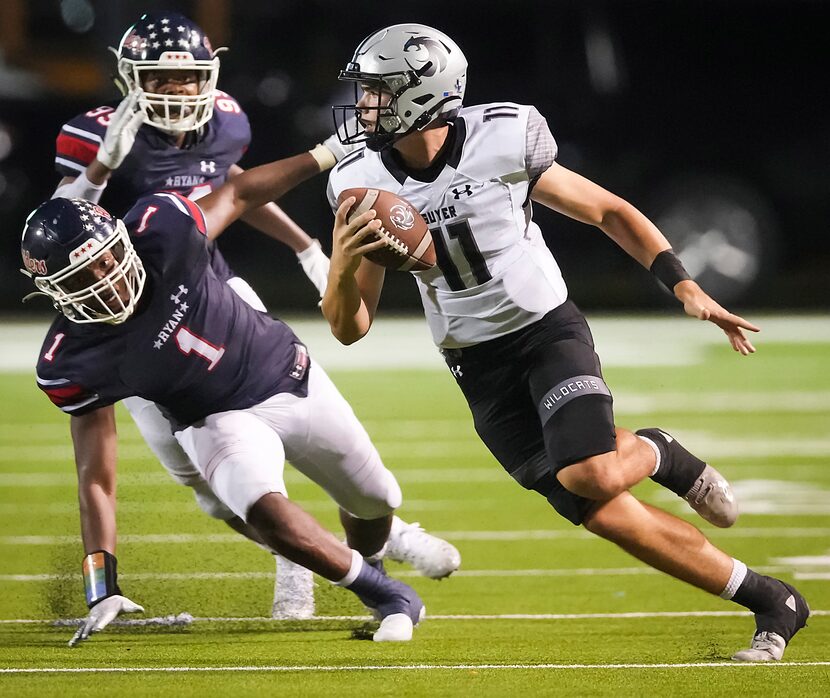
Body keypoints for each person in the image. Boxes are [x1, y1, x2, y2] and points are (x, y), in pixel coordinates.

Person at [321, 23, 809, 662]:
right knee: (602, 510)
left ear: (423, 95)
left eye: (378, 92)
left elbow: (607, 210)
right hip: (474, 362)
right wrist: (340, 263)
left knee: (589, 470)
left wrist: (683, 285)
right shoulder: (361, 182)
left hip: (546, 330)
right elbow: (350, 329)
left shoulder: (502, 139)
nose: (363, 106)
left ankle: (658, 452)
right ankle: (773, 599)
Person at [50, 11, 459, 618]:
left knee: (291, 401)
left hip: (208, 287)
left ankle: (379, 523)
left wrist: (304, 246)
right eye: (160, 79)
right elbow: (60, 231)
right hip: (128, 324)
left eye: (189, 78)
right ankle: (302, 548)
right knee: (216, 494)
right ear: (129, 78)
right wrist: (101, 170)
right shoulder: (92, 137)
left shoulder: (225, 122)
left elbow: (232, 185)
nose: (178, 91)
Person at [21, 143, 442, 645]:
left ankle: (369, 560)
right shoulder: (71, 359)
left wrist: (324, 154)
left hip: (285, 372)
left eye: (107, 258)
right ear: (52, 293)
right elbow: (96, 477)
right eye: (81, 277)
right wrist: (101, 586)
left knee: (376, 499)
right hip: (212, 419)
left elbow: (239, 192)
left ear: (122, 239)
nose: (105, 280)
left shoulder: (162, 229)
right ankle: (389, 595)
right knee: (258, 506)